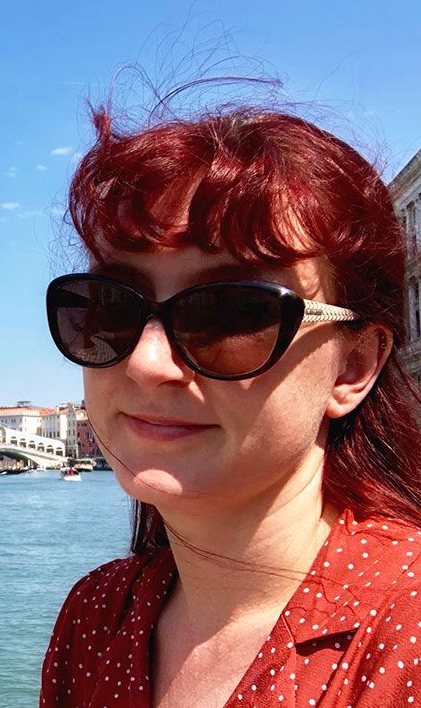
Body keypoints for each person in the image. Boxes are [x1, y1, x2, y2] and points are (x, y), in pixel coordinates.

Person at [40, 105, 421, 706]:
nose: (145, 361)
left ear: (352, 368)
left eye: (233, 313)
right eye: (110, 306)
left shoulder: (407, 636)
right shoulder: (93, 620)